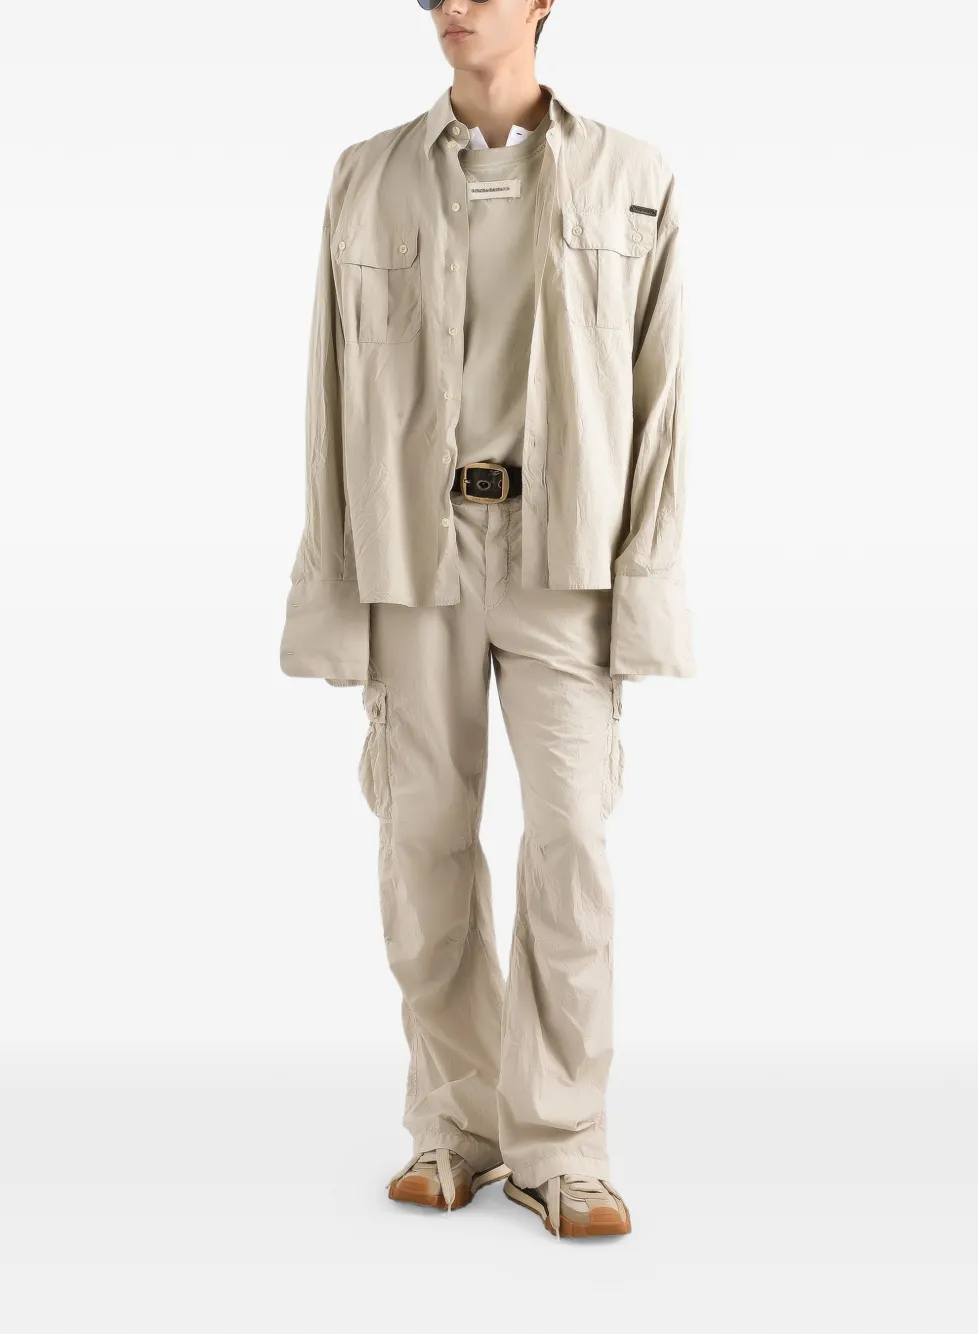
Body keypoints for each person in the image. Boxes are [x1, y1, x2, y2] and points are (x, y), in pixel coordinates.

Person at [278, 0, 695, 1240]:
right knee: (423, 841)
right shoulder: (364, 178)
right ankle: (455, 1124)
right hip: (415, 548)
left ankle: (562, 1143)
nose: (452, 7)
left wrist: (644, 580)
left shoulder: (633, 178)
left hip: (564, 550)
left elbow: (663, 399)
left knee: (569, 840)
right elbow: (327, 391)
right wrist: (335, 578)